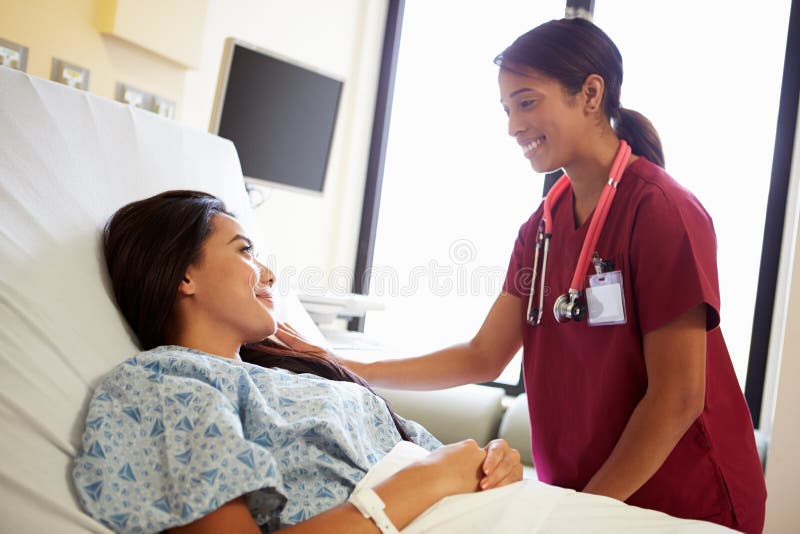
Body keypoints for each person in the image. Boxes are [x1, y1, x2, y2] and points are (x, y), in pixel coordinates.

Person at [344, 17, 766, 533]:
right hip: (585, 498)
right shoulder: (540, 229)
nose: (512, 126)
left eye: (526, 102)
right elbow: (483, 355)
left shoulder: (661, 211)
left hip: (682, 499)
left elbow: (678, 397)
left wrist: (576, 515)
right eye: (506, 109)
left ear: (590, 94)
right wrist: (351, 368)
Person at [72, 190, 522, 533]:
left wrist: (492, 466)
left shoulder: (286, 379)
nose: (268, 273)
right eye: (244, 250)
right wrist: (428, 480)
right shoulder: (163, 386)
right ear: (183, 274)